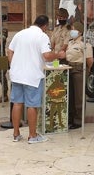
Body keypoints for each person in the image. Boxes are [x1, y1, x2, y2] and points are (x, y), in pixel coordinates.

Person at [8, 15, 64, 143]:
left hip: (17, 75)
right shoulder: (42, 36)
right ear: (44, 26)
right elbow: (47, 55)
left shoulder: (20, 33)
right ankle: (32, 136)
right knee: (32, 105)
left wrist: (13, 65)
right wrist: (58, 55)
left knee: (17, 104)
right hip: (32, 76)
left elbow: (10, 51)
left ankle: (16, 134)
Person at [65, 22, 94, 130]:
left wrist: (87, 70)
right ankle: (71, 117)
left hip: (79, 70)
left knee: (79, 96)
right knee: (71, 95)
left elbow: (90, 60)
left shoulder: (85, 44)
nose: (71, 31)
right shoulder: (70, 43)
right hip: (69, 68)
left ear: (80, 31)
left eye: (73, 29)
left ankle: (78, 120)